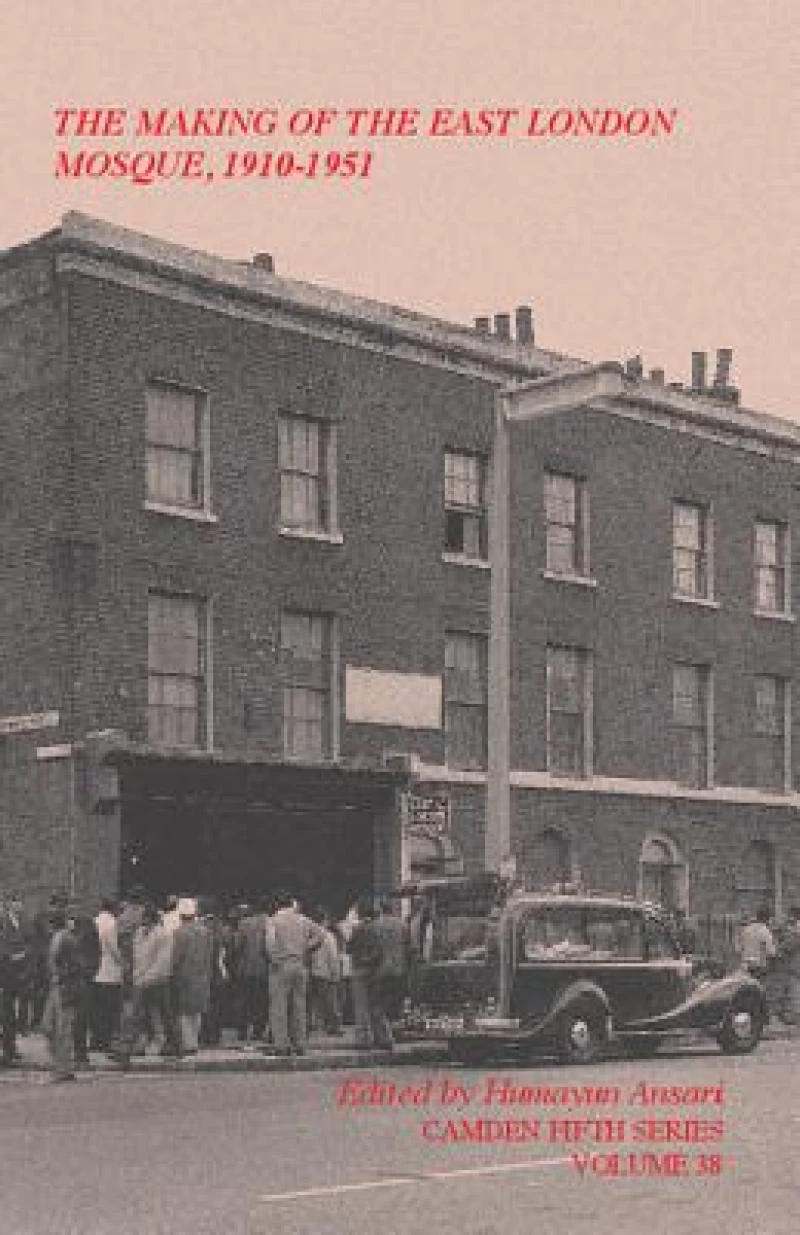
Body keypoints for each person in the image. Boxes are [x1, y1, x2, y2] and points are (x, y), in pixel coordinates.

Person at [264, 891, 324, 1056]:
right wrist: (306, 947)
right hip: (300, 964)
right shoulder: (303, 919)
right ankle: (299, 1043)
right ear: (292, 903)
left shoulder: (273, 921)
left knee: (279, 1006)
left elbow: (269, 943)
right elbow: (320, 935)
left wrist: (275, 959)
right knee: (299, 1005)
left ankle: (281, 1045)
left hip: (281, 965)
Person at [42, 896, 84, 1082]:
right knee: (48, 1027)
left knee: (62, 1030)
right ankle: (61, 1065)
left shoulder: (66, 940)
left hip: (65, 989)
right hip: (56, 988)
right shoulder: (59, 938)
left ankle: (63, 1070)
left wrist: (61, 976)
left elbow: (76, 966)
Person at [171, 898, 213, 1054]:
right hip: (202, 974)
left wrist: (171, 972)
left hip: (185, 976)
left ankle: (189, 1044)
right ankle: (194, 1040)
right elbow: (210, 954)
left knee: (184, 1011)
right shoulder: (205, 932)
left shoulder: (179, 933)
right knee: (197, 1011)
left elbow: (176, 958)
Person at [0, 891, 29, 1066]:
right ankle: (8, 1049)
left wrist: (24, 954)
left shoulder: (22, 922)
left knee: (15, 1012)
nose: (19, 905)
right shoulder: (3, 922)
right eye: (16, 901)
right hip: (6, 972)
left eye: (20, 901)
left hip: (19, 973)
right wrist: (11, 956)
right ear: (9, 904)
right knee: (7, 1013)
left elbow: (28, 942)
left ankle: (12, 1047)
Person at [92, 899, 122, 1051]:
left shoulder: (94, 921)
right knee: (109, 1009)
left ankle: (95, 1040)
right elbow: (114, 948)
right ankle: (105, 1041)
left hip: (95, 970)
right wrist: (124, 963)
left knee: (97, 1009)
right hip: (110, 970)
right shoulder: (112, 924)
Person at [308, 908, 342, 1036]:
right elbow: (333, 956)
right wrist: (335, 972)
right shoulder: (328, 936)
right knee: (330, 1000)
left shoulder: (310, 934)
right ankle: (334, 1026)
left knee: (313, 1000)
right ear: (324, 921)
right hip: (325, 971)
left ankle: (314, 1024)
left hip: (312, 971)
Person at [740, 906, 777, 980]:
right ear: (766, 918)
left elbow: (739, 948)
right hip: (759, 967)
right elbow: (771, 952)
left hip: (745, 965)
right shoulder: (765, 931)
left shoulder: (747, 929)